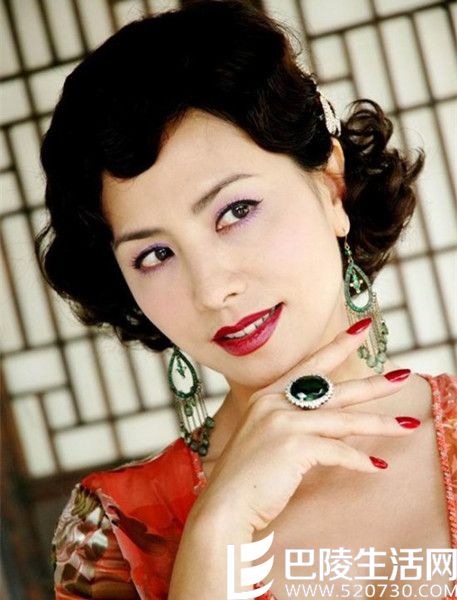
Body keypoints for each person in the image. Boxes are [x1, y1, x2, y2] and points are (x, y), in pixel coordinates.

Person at [35, 1, 456, 599]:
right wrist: (216, 532)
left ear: (330, 184)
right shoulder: (113, 534)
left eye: (236, 211)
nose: (212, 290)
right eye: (154, 254)